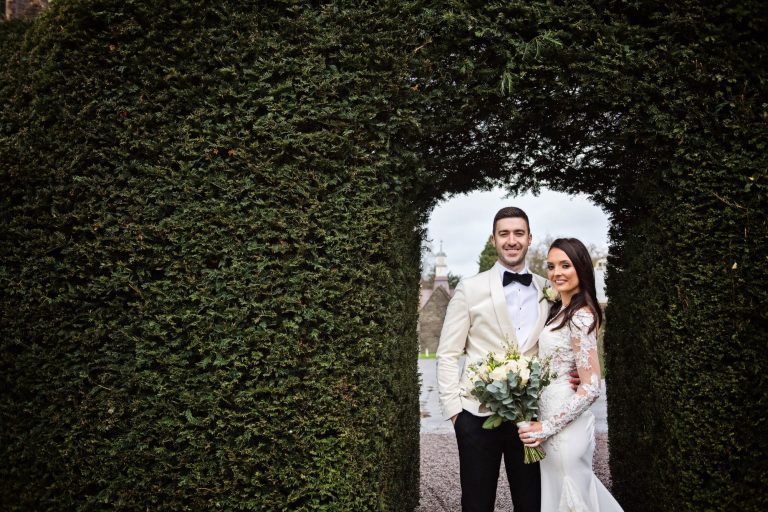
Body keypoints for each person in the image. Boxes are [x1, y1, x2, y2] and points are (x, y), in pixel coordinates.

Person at [436, 206, 568, 512]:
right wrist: (456, 414)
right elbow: (447, 353)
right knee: (477, 503)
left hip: (532, 419)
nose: (512, 240)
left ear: (529, 238)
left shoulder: (547, 289)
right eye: (504, 234)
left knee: (532, 502)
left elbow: (560, 345)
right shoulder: (470, 288)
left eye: (518, 233)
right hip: (476, 416)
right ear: (493, 239)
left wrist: (571, 377)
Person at [517, 238, 623, 511]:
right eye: (551, 266)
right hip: (550, 422)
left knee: (571, 498)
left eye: (566, 265)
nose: (556, 273)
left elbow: (591, 386)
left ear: (581, 268)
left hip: (563, 428)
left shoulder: (581, 315)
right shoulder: (558, 311)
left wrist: (547, 427)